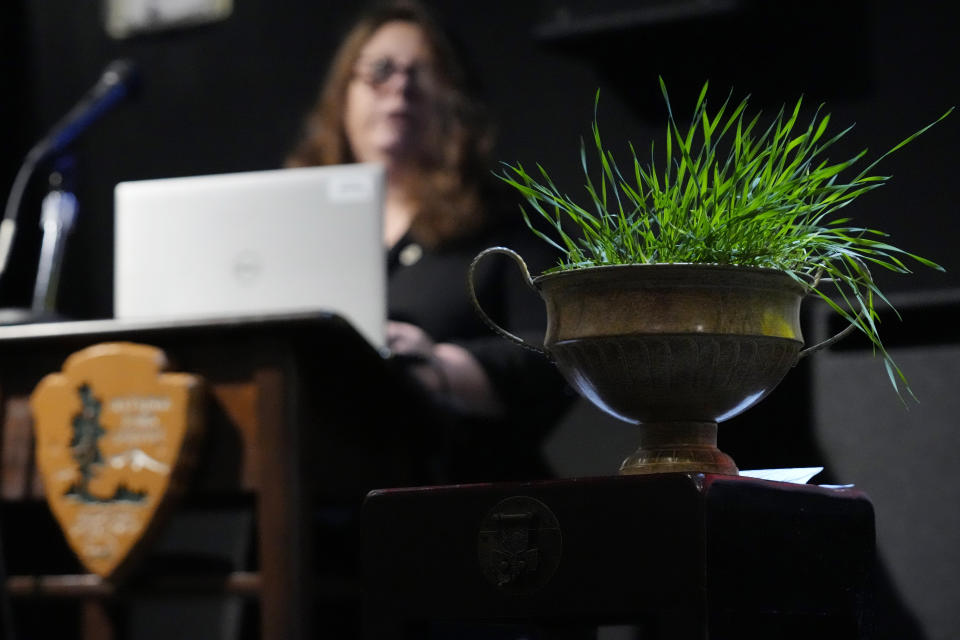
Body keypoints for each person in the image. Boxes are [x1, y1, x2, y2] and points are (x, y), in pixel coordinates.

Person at [286, 0, 573, 482]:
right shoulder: (291, 226)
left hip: (459, 498)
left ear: (455, 100)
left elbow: (558, 355)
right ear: (343, 93)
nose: (400, 87)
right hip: (303, 509)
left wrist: (436, 364)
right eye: (380, 70)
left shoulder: (503, 223)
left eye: (425, 73)